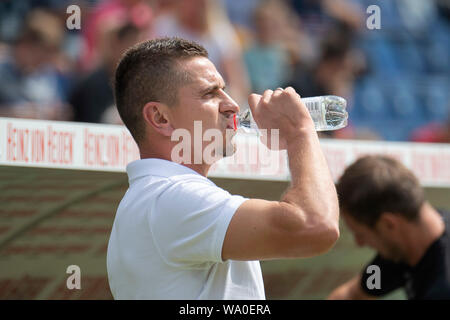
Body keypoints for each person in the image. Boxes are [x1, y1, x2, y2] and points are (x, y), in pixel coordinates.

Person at [106, 37, 339, 299]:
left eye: (224, 90)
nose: (232, 105)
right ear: (160, 117)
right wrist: (300, 133)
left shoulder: (157, 198)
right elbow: (316, 226)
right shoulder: (169, 197)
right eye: (210, 93)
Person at [328, 155, 450, 300]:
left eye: (360, 234)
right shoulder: (402, 252)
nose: (359, 243)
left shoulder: (443, 287)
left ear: (388, 224)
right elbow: (351, 295)